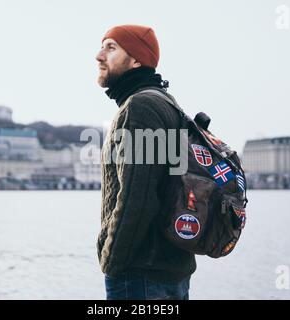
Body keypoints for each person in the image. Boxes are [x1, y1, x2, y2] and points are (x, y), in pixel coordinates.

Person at [95, 24, 196, 300]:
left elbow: (136, 197)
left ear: (137, 60)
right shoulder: (167, 103)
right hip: (168, 267)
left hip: (140, 274)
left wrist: (113, 263)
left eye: (111, 47)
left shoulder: (141, 107)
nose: (99, 55)